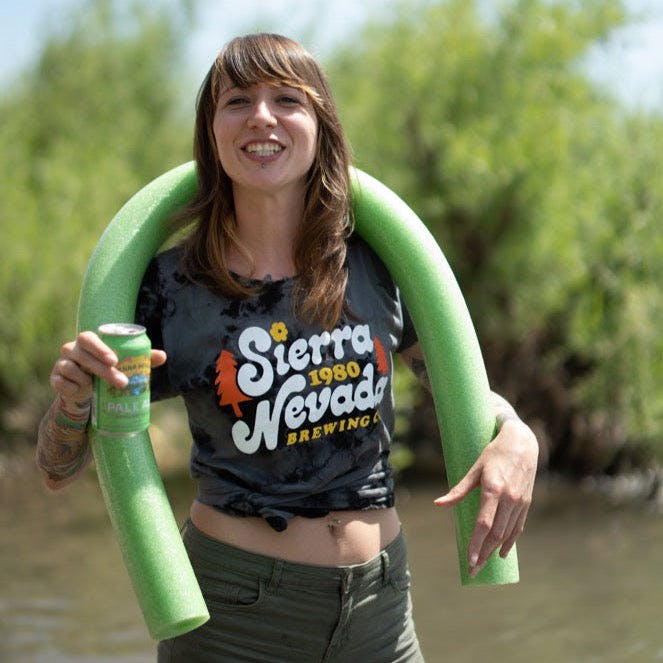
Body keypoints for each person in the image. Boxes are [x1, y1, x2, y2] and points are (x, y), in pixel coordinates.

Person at [36, 33, 538, 662]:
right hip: (235, 615)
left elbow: (458, 389)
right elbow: (59, 469)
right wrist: (74, 403)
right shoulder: (169, 287)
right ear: (211, 132)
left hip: (381, 607)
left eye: (286, 99)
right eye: (237, 101)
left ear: (320, 124)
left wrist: (516, 431)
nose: (262, 117)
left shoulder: (378, 264)